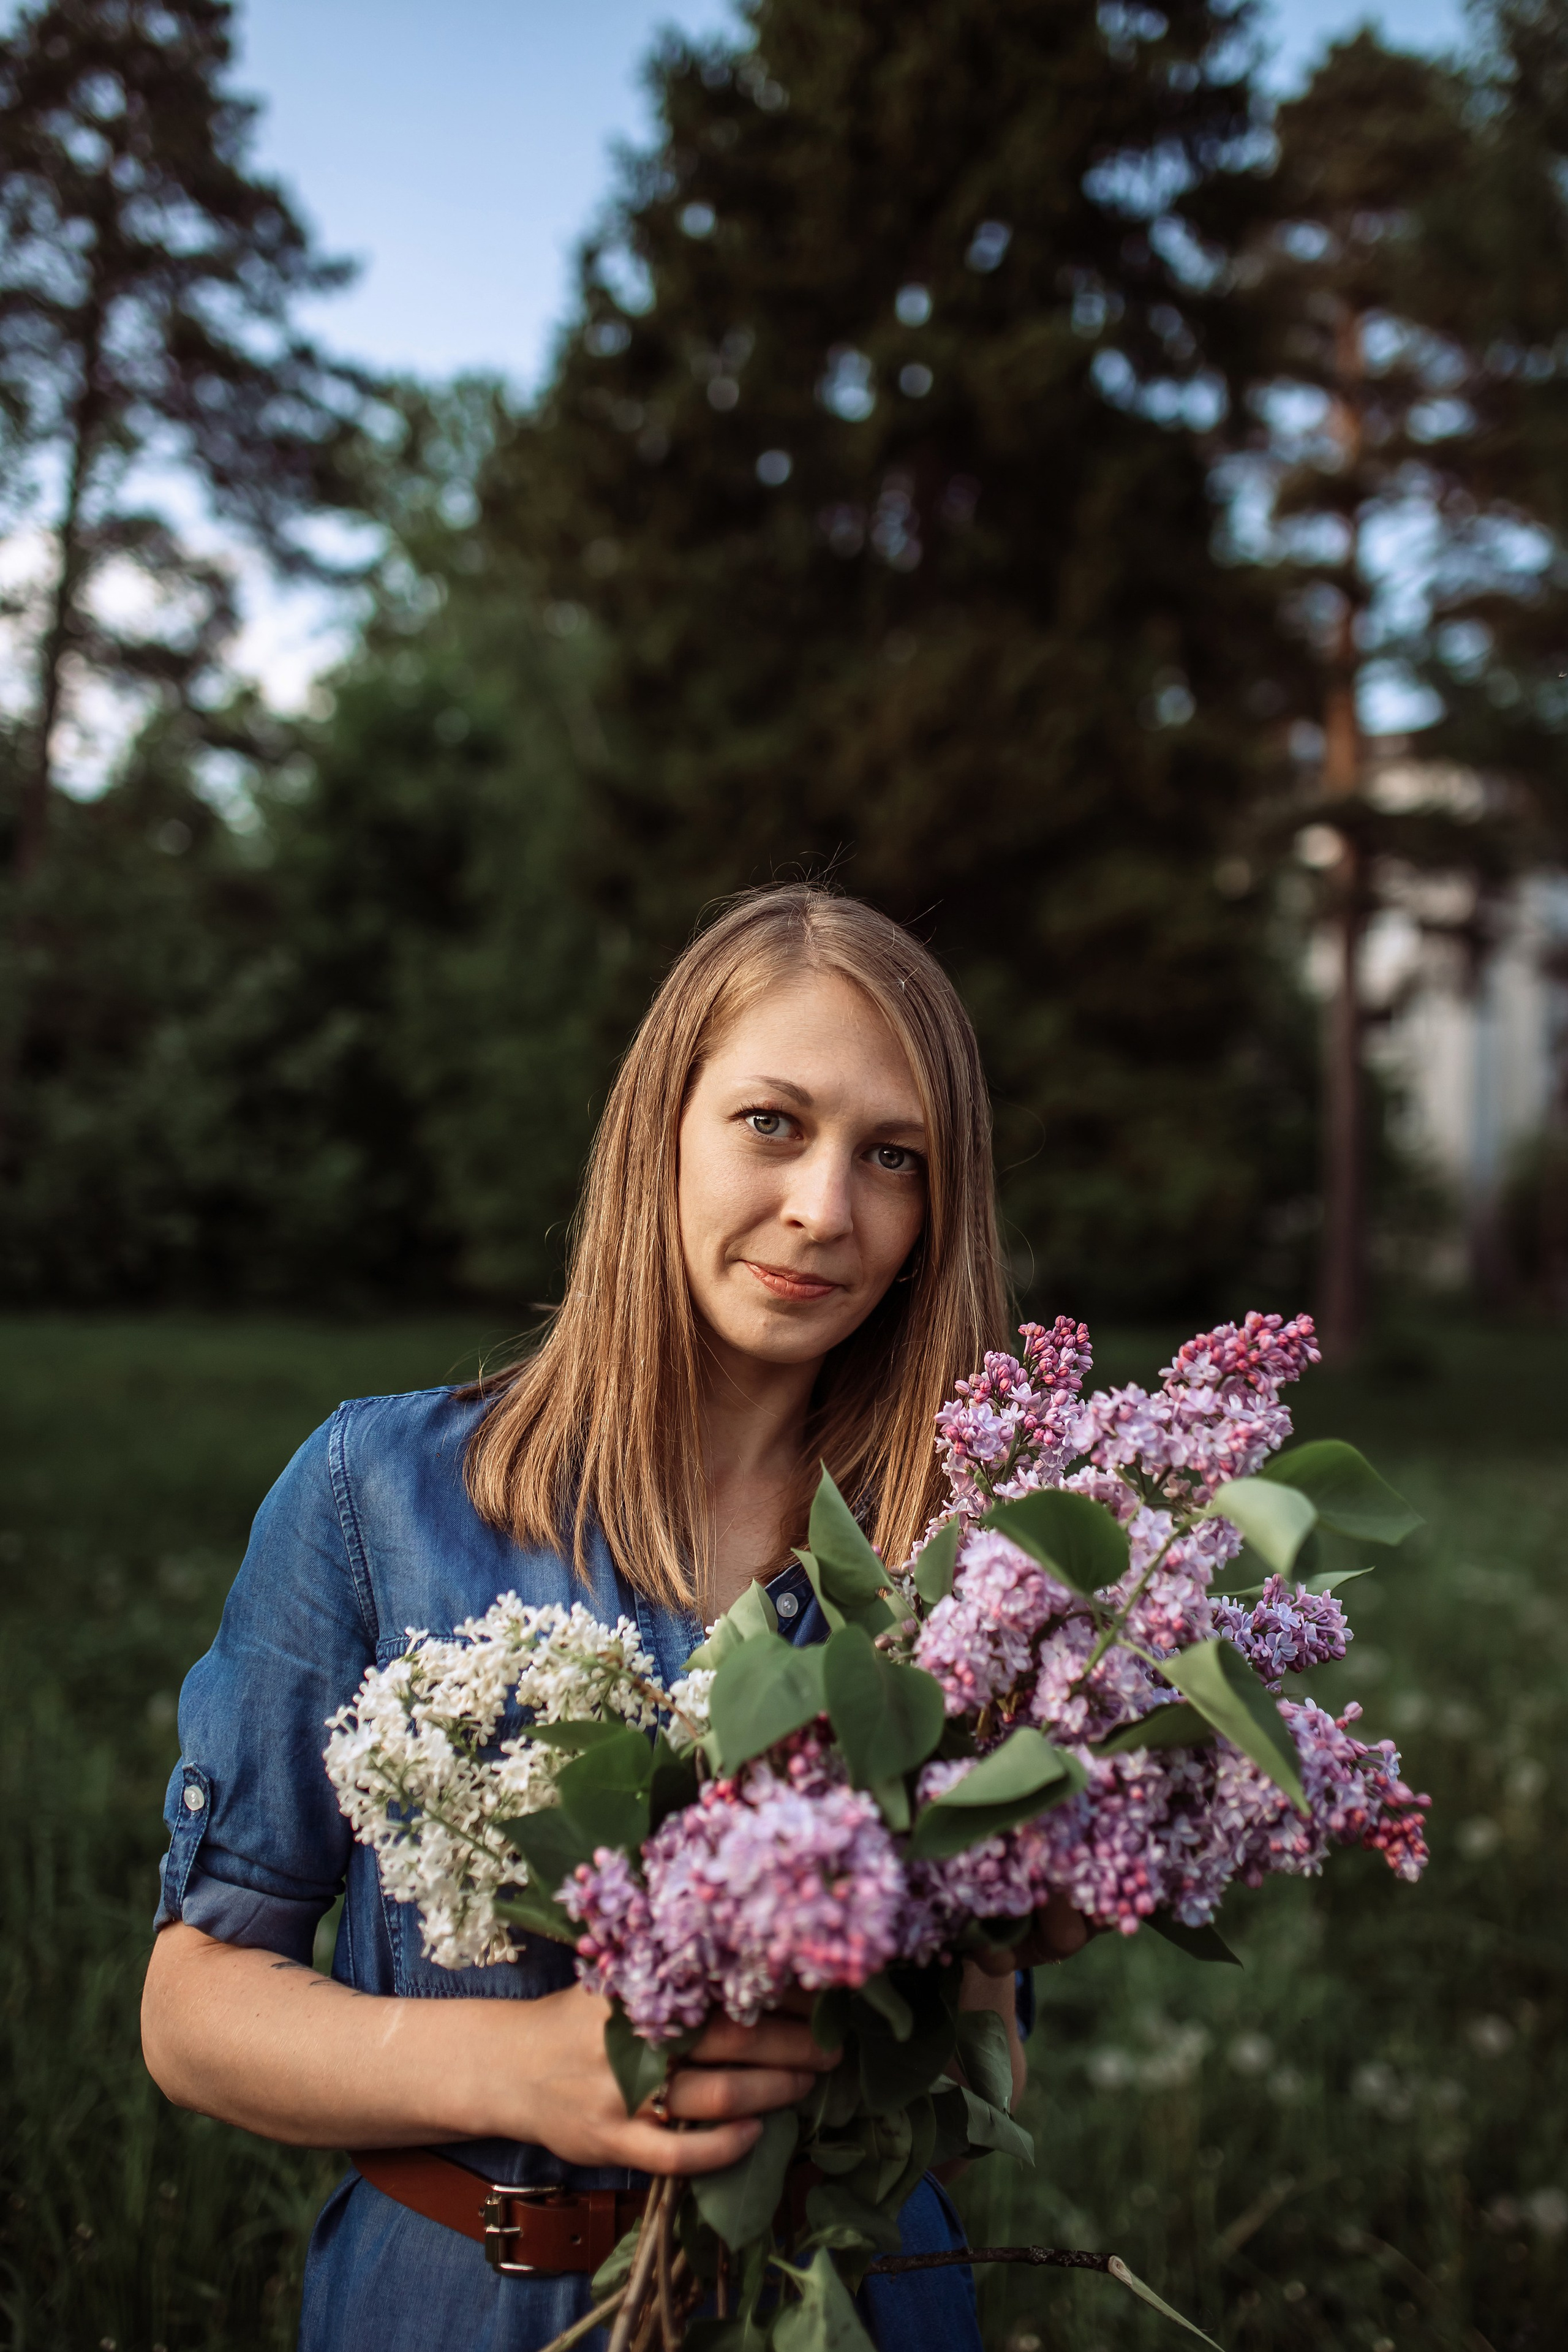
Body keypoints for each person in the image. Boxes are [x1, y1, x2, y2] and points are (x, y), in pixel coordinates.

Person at [141, 884, 1086, 2352]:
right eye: (771, 1122)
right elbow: (191, 2009)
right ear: (663, 1127)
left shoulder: (956, 1569)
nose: (823, 1209)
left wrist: (1003, 1920)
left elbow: (972, 2112)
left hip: (849, 2305)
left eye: (891, 1157)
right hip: (464, 2295)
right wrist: (520, 2068)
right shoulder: (378, 1497)